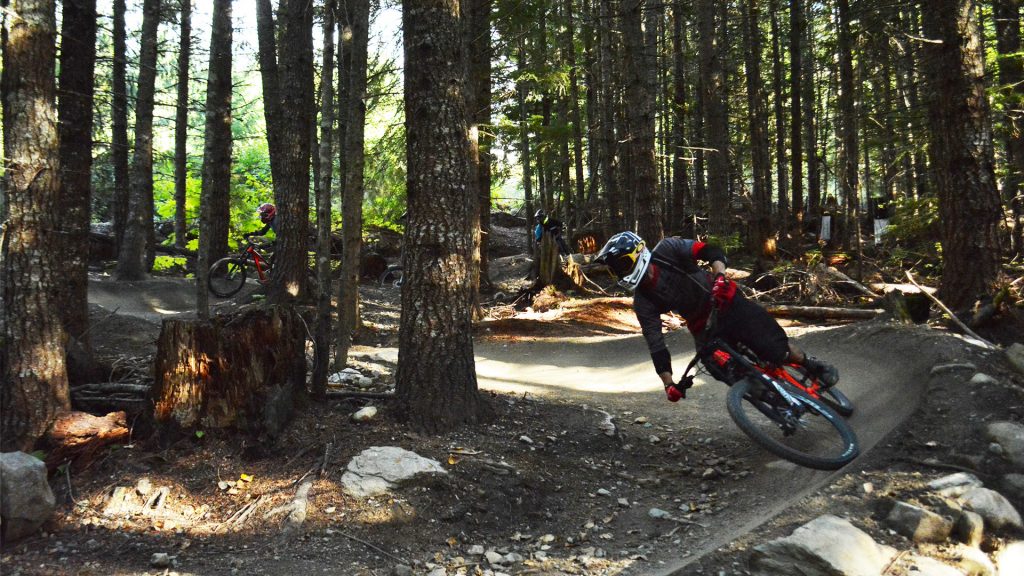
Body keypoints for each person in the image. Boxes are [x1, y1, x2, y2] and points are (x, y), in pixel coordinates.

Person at [594, 231, 838, 402]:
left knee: (775, 348)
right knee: (717, 367)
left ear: (638, 253)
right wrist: (669, 384)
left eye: (622, 265)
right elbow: (656, 344)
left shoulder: (667, 250)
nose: (621, 273)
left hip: (725, 300)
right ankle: (771, 400)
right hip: (702, 326)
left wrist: (720, 276)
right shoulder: (643, 301)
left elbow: (711, 250)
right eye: (617, 269)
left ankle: (811, 365)